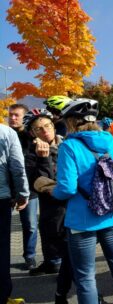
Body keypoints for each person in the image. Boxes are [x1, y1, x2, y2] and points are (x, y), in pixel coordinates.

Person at [51, 98, 113, 303]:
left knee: (86, 276)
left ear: (71, 121)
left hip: (82, 221)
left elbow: (67, 188)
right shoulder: (109, 140)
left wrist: (51, 191)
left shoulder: (69, 146)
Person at [22, 108, 73, 303]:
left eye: (47, 126)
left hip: (76, 212)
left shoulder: (68, 146)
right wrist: (43, 159)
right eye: (38, 129)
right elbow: (47, 185)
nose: (45, 131)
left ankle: (61, 294)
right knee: (71, 259)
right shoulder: (32, 156)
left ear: (54, 126)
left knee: (72, 260)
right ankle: (82, 295)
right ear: (33, 133)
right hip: (54, 216)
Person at [8, 104, 40, 272]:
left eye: (16, 115)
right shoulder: (4, 135)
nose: (13, 118)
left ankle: (29, 256)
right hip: (6, 188)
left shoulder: (31, 137)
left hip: (29, 190)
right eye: (10, 115)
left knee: (30, 225)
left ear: (24, 117)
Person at [0, 123, 30, 304]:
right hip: (1, 197)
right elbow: (17, 166)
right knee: (1, 249)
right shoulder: (6, 132)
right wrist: (22, 194)